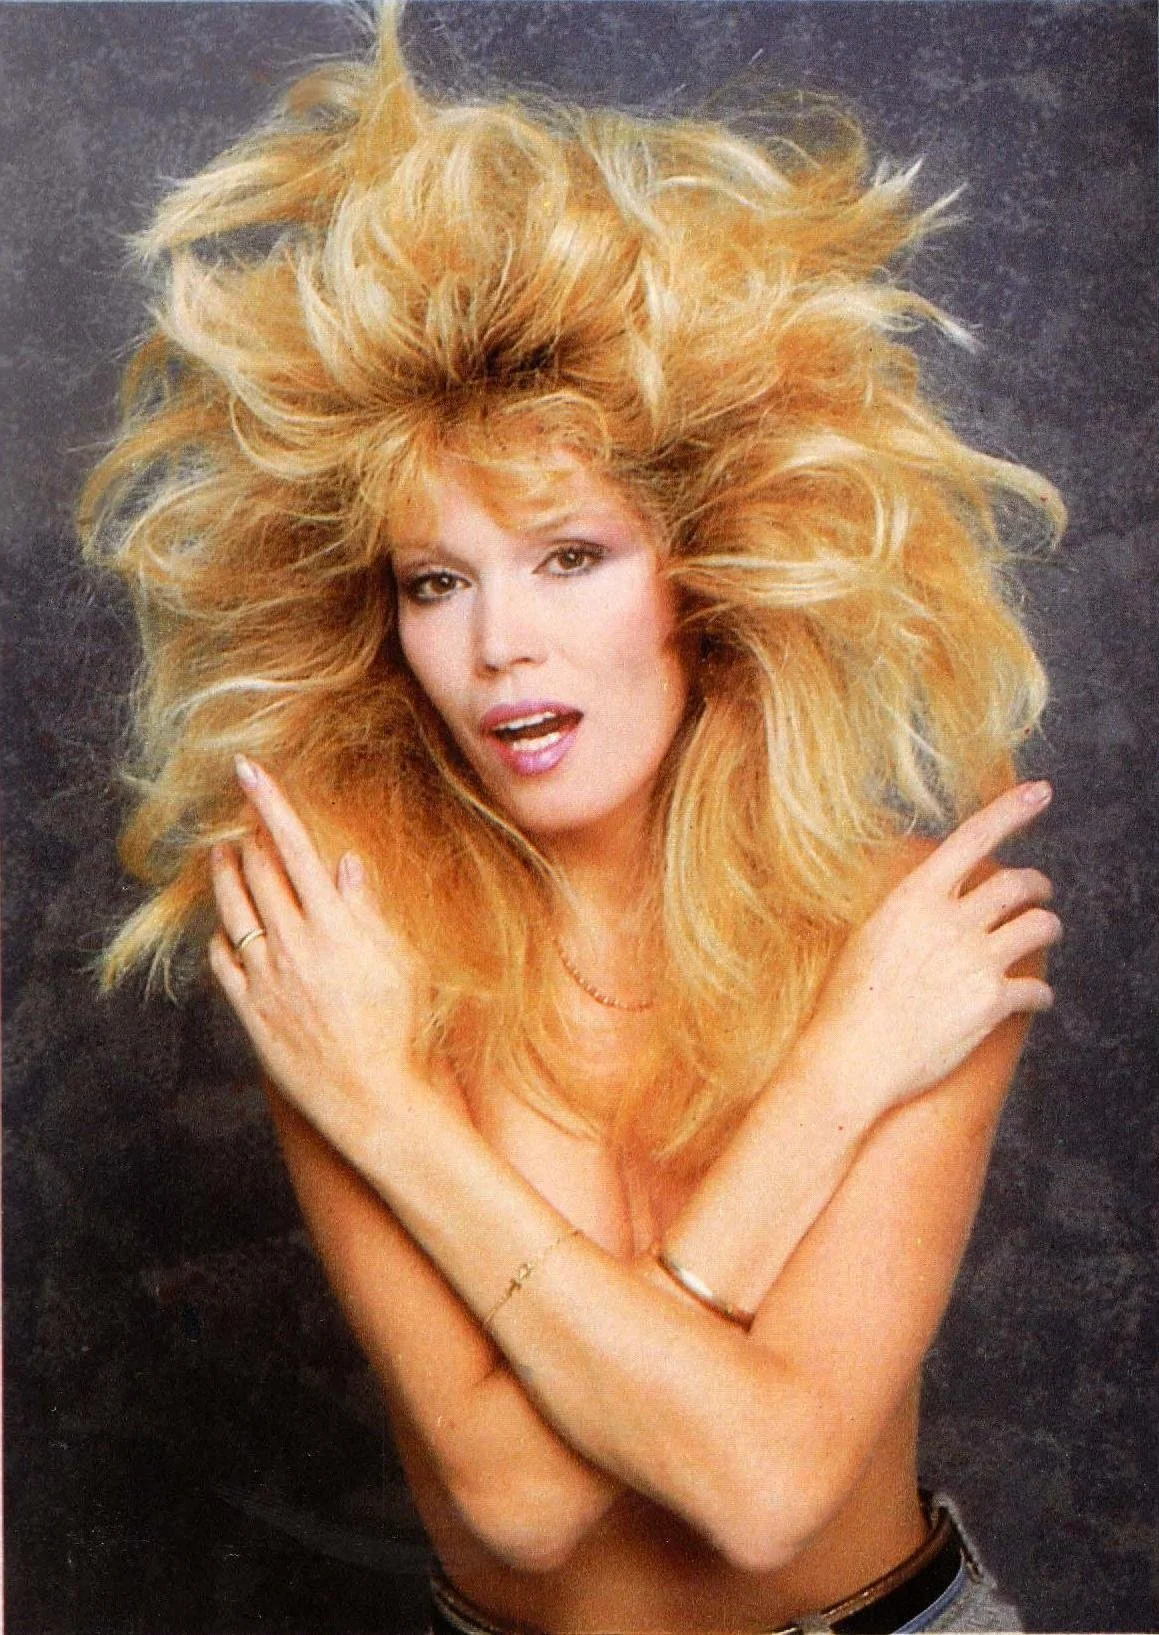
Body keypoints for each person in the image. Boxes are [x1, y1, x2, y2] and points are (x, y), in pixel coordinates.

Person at [80, 10, 1065, 1631]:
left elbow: (764, 1486)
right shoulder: (344, 954)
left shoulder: (906, 941)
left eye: (568, 557)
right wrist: (381, 1093)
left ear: (702, 570)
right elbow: (518, 1505)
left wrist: (836, 1051)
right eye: (434, 581)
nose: (499, 645)